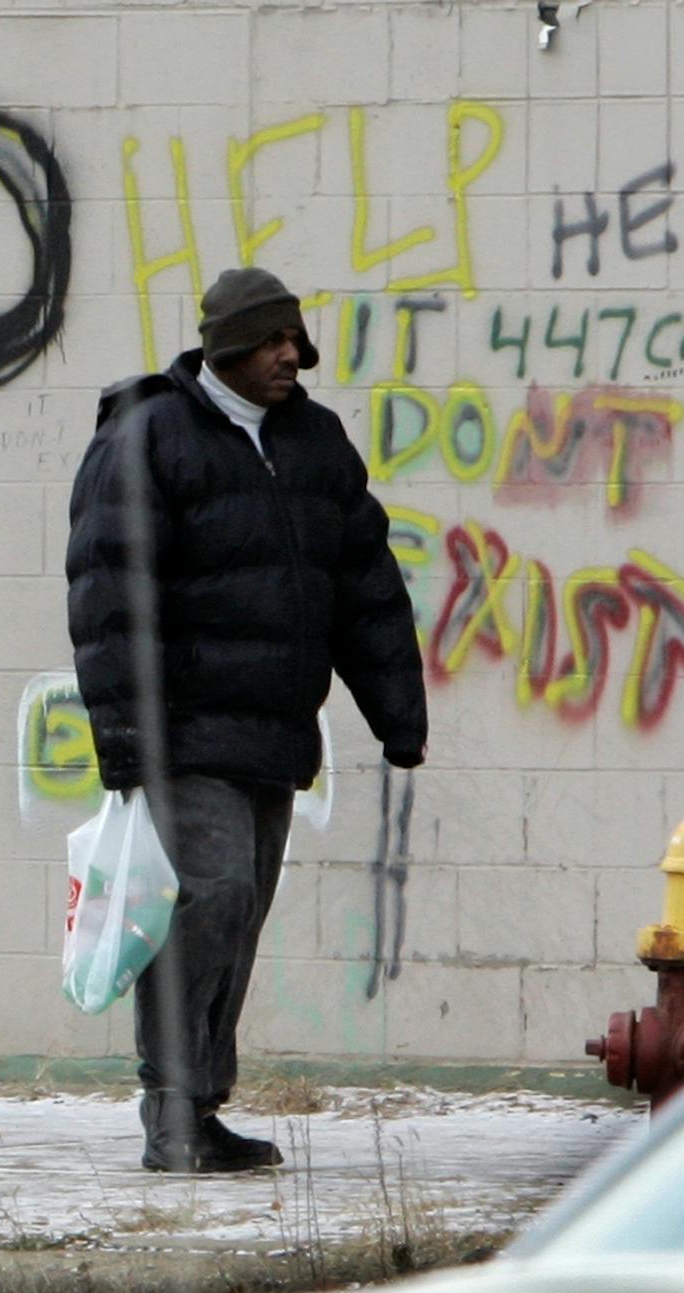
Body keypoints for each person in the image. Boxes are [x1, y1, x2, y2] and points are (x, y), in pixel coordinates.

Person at [66, 267, 428, 1173]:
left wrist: (398, 713)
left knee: (240, 913)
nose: (289, 356)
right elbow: (109, 596)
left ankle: (199, 1106)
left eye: (293, 341)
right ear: (227, 345)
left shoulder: (316, 443)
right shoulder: (152, 435)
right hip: (182, 733)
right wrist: (123, 738)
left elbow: (365, 591)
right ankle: (174, 1113)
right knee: (212, 896)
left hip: (271, 736)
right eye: (270, 341)